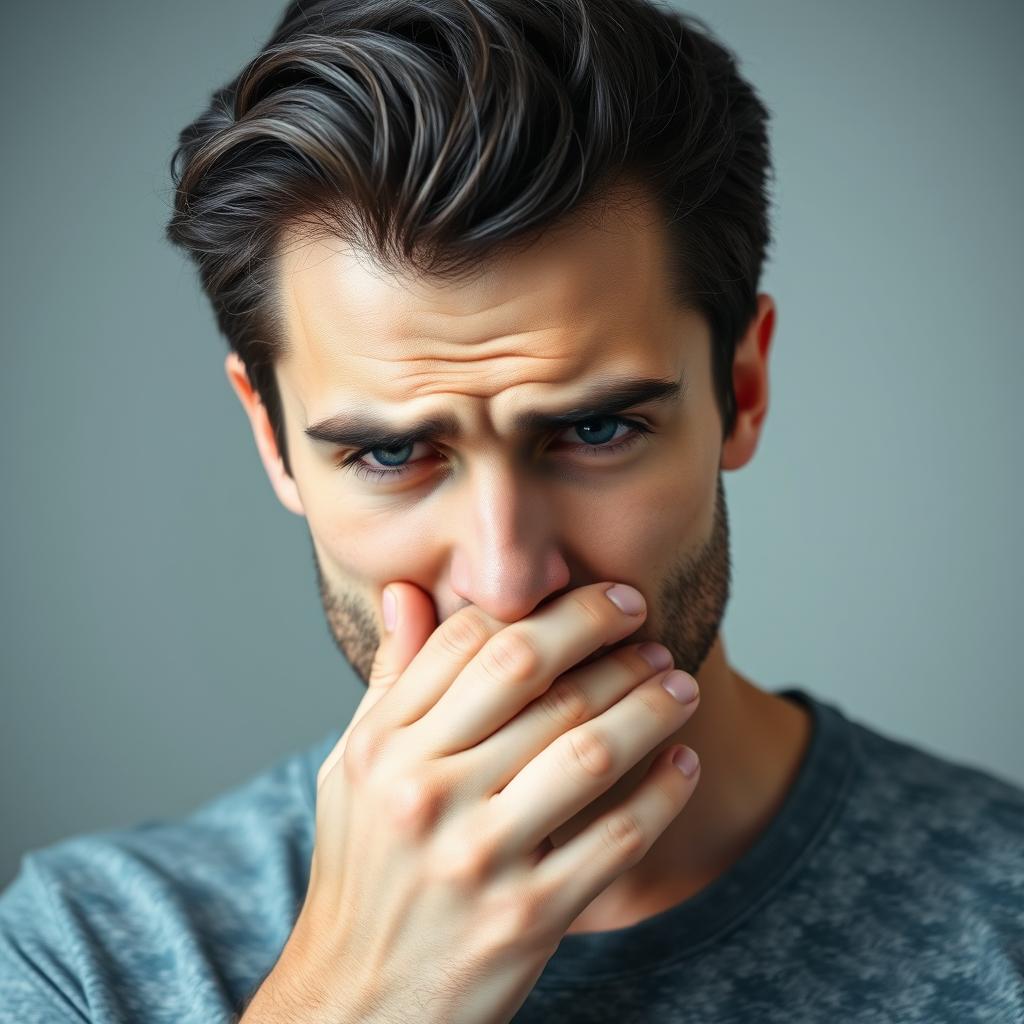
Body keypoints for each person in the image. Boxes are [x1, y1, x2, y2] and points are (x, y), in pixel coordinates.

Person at [2, 1, 1022, 1021]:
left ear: (740, 392)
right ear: (273, 440)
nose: (505, 577)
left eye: (595, 433)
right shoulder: (80, 954)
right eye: (392, 452)